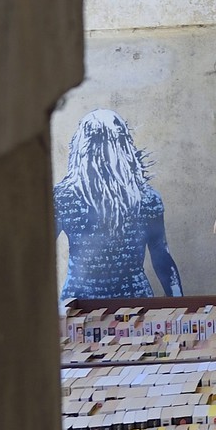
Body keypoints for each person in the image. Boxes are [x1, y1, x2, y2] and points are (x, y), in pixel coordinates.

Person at [56, 110, 183, 301]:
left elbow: (161, 257)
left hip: (122, 305)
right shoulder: (64, 196)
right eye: (99, 140)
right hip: (82, 304)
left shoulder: (146, 199)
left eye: (112, 141)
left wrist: (180, 306)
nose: (106, 151)